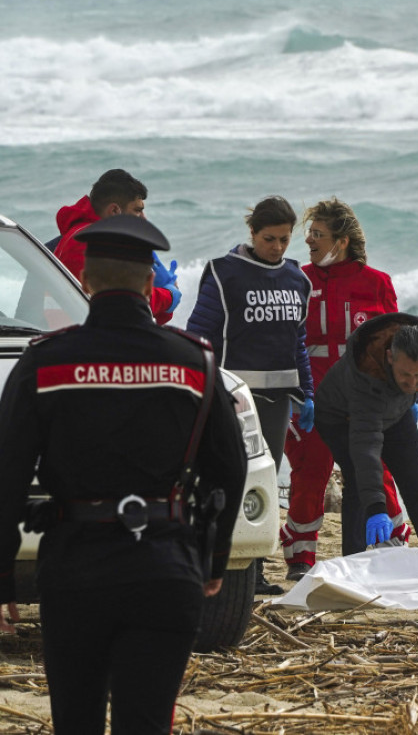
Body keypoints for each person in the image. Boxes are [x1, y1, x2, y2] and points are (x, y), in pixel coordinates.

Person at [0, 215, 246, 734]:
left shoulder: (45, 364)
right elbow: (229, 464)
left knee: (77, 721)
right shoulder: (194, 363)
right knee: (147, 722)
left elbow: (7, 477)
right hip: (166, 566)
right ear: (149, 285)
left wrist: (3, 581)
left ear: (85, 282)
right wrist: (215, 558)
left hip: (75, 569)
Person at [279, 198, 417, 581]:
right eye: (309, 233)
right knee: (310, 472)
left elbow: (397, 344)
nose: (308, 240)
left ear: (341, 241)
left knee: (376, 468)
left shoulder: (377, 283)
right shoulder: (298, 280)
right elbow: (283, 340)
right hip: (311, 398)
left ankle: (391, 545)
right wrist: (294, 394)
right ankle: (300, 558)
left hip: (366, 400)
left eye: (318, 234)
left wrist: (408, 394)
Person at [186, 195, 314, 594]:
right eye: (269, 239)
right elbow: (200, 333)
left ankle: (254, 572)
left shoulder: (298, 280)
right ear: (253, 233)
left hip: (276, 402)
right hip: (233, 400)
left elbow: (299, 342)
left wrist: (307, 392)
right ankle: (216, 566)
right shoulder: (225, 274)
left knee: (264, 481)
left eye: (284, 240)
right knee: (226, 480)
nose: (277, 247)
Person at [315, 313, 418, 555]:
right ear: (389, 357)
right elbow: (366, 451)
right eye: (405, 375)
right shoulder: (367, 377)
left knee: (416, 480)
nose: (411, 383)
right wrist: (377, 509)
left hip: (395, 411)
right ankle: (354, 560)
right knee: (358, 480)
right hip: (340, 417)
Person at [53, 169, 181, 323]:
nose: (144, 219)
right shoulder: (88, 243)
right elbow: (124, 302)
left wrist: (162, 302)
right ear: (114, 211)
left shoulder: (83, 235)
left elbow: (135, 315)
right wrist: (168, 296)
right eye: (137, 211)